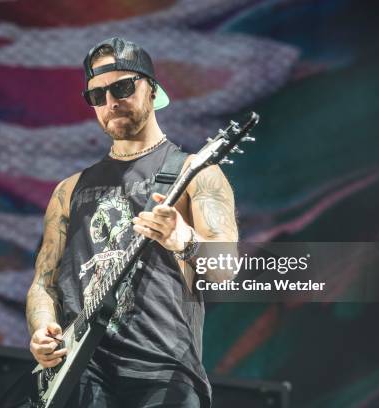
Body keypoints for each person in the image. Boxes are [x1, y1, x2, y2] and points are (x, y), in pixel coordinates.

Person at [26, 37, 238, 408]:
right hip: (80, 374)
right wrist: (42, 329)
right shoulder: (69, 190)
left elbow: (226, 270)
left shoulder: (195, 172)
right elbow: (44, 283)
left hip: (162, 374)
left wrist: (183, 239)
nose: (111, 102)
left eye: (123, 87)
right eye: (98, 96)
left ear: (152, 88)